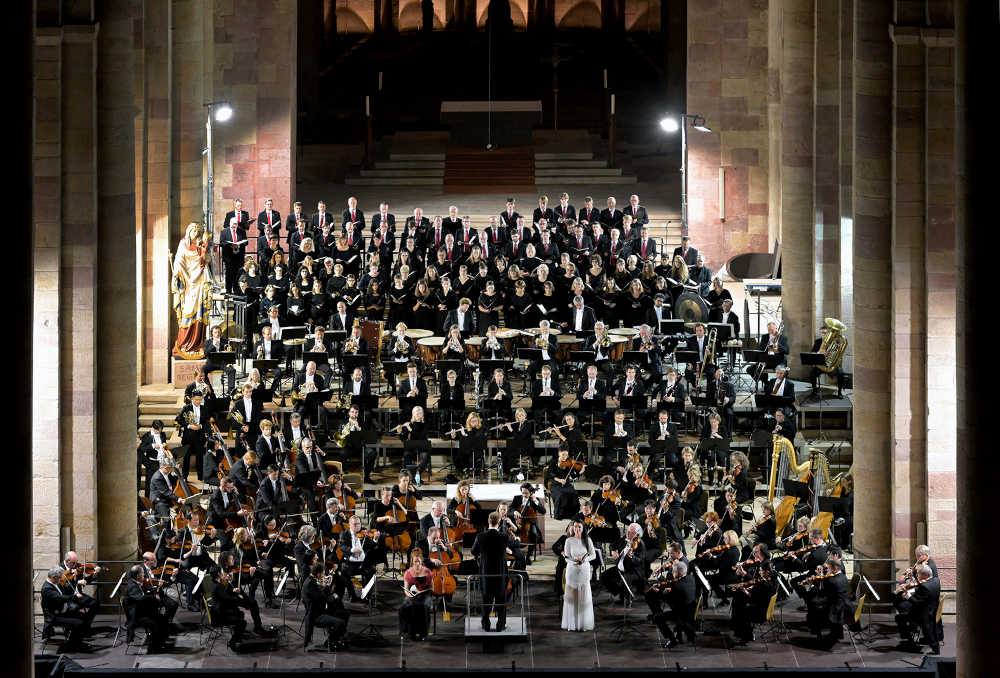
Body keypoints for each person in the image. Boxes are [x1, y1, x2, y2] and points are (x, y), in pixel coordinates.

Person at [472, 512, 514, 632]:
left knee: (486, 600)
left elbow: (474, 551)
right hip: (500, 573)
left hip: (486, 573)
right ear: (499, 522)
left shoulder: (480, 537)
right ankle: (500, 625)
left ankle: (486, 625)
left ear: (488, 522)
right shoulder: (504, 537)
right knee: (501, 601)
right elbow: (510, 548)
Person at [40, 567, 97, 652]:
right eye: (60, 577)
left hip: (61, 612)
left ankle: (76, 642)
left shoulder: (54, 584)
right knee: (78, 622)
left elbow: (65, 592)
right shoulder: (47, 588)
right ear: (54, 577)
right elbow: (60, 598)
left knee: (82, 616)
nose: (61, 579)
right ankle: (70, 646)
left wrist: (76, 583)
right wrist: (75, 597)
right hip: (54, 616)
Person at [302, 561, 350, 651]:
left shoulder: (310, 580)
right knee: (341, 623)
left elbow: (320, 595)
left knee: (344, 614)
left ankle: (335, 639)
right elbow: (324, 599)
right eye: (323, 573)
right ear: (319, 573)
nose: (324, 575)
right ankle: (331, 641)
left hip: (318, 609)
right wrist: (331, 592)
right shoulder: (311, 584)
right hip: (316, 616)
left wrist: (324, 586)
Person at [895, 563, 940, 654]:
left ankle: (909, 640)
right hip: (932, 609)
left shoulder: (924, 586)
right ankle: (911, 635)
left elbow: (917, 602)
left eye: (919, 574)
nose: (917, 575)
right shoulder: (935, 580)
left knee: (899, 617)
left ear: (925, 575)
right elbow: (924, 596)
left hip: (923, 614)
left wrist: (907, 595)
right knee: (905, 609)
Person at [124, 564, 169, 652]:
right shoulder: (132, 586)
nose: (144, 575)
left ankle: (160, 642)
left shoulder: (136, 583)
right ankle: (155, 647)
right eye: (143, 573)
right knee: (156, 621)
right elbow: (141, 598)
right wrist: (154, 598)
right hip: (137, 616)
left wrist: (154, 592)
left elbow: (144, 596)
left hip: (141, 611)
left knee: (163, 618)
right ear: (138, 576)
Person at [560, 520, 596, 631]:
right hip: (572, 571)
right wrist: (574, 562)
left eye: (579, 527)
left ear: (583, 528)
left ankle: (583, 624)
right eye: (575, 527)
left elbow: (593, 555)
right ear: (573, 528)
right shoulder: (568, 541)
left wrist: (584, 560)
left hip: (584, 570)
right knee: (572, 596)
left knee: (583, 596)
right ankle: (572, 624)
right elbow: (566, 557)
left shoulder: (587, 540)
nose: (577, 529)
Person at [600, 523, 646, 604]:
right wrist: (613, 551)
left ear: (637, 534)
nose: (628, 534)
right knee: (603, 576)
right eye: (628, 531)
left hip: (633, 570)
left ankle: (626, 598)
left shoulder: (640, 544)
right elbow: (612, 545)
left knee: (625, 579)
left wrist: (631, 556)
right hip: (620, 567)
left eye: (631, 533)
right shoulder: (624, 538)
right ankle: (620, 592)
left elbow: (639, 561)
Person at [399, 548, 434, 641]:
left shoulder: (428, 572)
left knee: (423, 606)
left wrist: (421, 592)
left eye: (418, 561)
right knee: (404, 607)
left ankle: (423, 633)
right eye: (415, 561)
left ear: (422, 560)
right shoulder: (408, 573)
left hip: (425, 594)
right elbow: (406, 589)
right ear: (412, 561)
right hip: (413, 595)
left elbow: (432, 588)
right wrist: (409, 595)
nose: (417, 563)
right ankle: (408, 632)